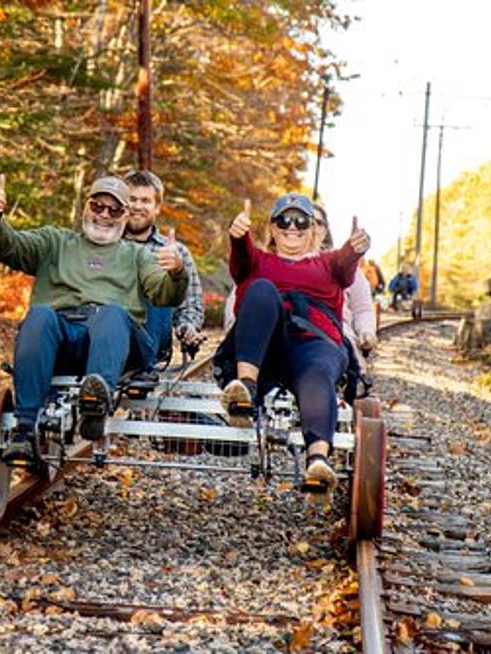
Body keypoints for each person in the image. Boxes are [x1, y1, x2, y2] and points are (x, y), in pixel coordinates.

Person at [0, 174, 188, 464]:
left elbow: (165, 293)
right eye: (98, 206)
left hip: (114, 340)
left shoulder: (138, 255)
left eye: (114, 210)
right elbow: (10, 246)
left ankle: (94, 405)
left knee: (113, 313)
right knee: (40, 315)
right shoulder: (55, 242)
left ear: (125, 216)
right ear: (85, 207)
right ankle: (25, 429)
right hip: (62, 334)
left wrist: (177, 272)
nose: (104, 215)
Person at [220, 192, 370, 499]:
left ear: (314, 229)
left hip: (313, 342)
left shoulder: (328, 265)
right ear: (273, 229)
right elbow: (242, 257)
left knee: (317, 370)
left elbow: (344, 265)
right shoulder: (258, 261)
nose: (292, 227)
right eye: (284, 220)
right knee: (261, 288)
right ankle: (245, 390)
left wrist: (354, 250)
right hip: (266, 347)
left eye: (301, 221)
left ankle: (317, 461)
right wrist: (237, 238)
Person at [122, 170, 205, 363]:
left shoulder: (175, 252)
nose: (137, 206)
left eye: (145, 201)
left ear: (157, 207)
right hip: (109, 335)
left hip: (151, 340)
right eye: (132, 199)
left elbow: (191, 305)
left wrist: (187, 328)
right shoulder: (106, 245)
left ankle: (144, 363)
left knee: (156, 280)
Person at [312, 204, 377, 371]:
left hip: (337, 332)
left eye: (317, 223)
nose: (311, 227)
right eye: (305, 221)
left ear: (325, 230)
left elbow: (362, 309)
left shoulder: (343, 262)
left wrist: (366, 331)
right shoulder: (272, 261)